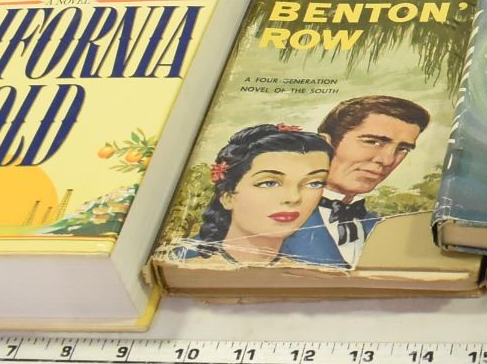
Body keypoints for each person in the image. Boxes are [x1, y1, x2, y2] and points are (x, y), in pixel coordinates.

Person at [281, 95, 431, 269]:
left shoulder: (383, 228)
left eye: (403, 149)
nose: (388, 160)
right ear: (324, 144)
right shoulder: (272, 218)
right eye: (373, 142)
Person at [180, 125, 334, 264]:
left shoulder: (312, 274)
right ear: (227, 197)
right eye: (270, 183)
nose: (294, 198)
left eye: (314, 183)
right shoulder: (187, 268)